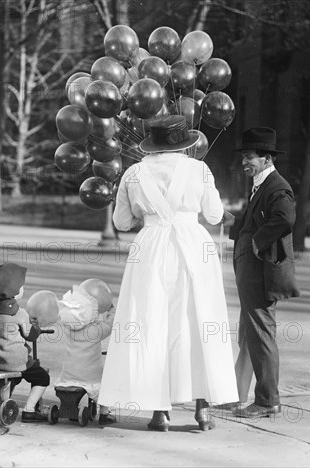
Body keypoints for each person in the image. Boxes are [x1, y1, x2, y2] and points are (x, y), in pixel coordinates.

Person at [98, 115, 239, 432]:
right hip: (192, 245)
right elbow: (214, 214)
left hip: (151, 247)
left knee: (151, 323)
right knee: (199, 320)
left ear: (153, 143)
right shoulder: (198, 170)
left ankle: (158, 410)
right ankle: (203, 408)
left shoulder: (134, 173)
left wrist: (148, 213)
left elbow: (121, 222)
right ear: (183, 143)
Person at [228, 127, 300, 418]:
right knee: (249, 334)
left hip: (260, 273)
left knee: (260, 333)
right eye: (244, 157)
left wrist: (257, 243)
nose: (245, 163)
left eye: (250, 158)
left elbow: (285, 218)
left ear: (266, 158)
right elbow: (254, 221)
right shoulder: (261, 184)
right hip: (251, 271)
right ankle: (236, 395)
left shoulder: (276, 186)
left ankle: (268, 400)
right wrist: (234, 222)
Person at [0, 262, 51, 423]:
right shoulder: (19, 314)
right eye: (22, 286)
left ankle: (0, 401)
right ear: (15, 290)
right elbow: (30, 335)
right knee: (42, 377)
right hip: (17, 362)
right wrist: (37, 327)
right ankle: (29, 410)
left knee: (15, 378)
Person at [54, 282, 117, 425]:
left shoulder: (68, 329)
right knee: (105, 387)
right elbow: (110, 324)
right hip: (89, 378)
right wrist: (111, 309)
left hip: (67, 376)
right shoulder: (95, 331)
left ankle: (68, 408)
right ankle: (105, 414)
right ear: (91, 313)